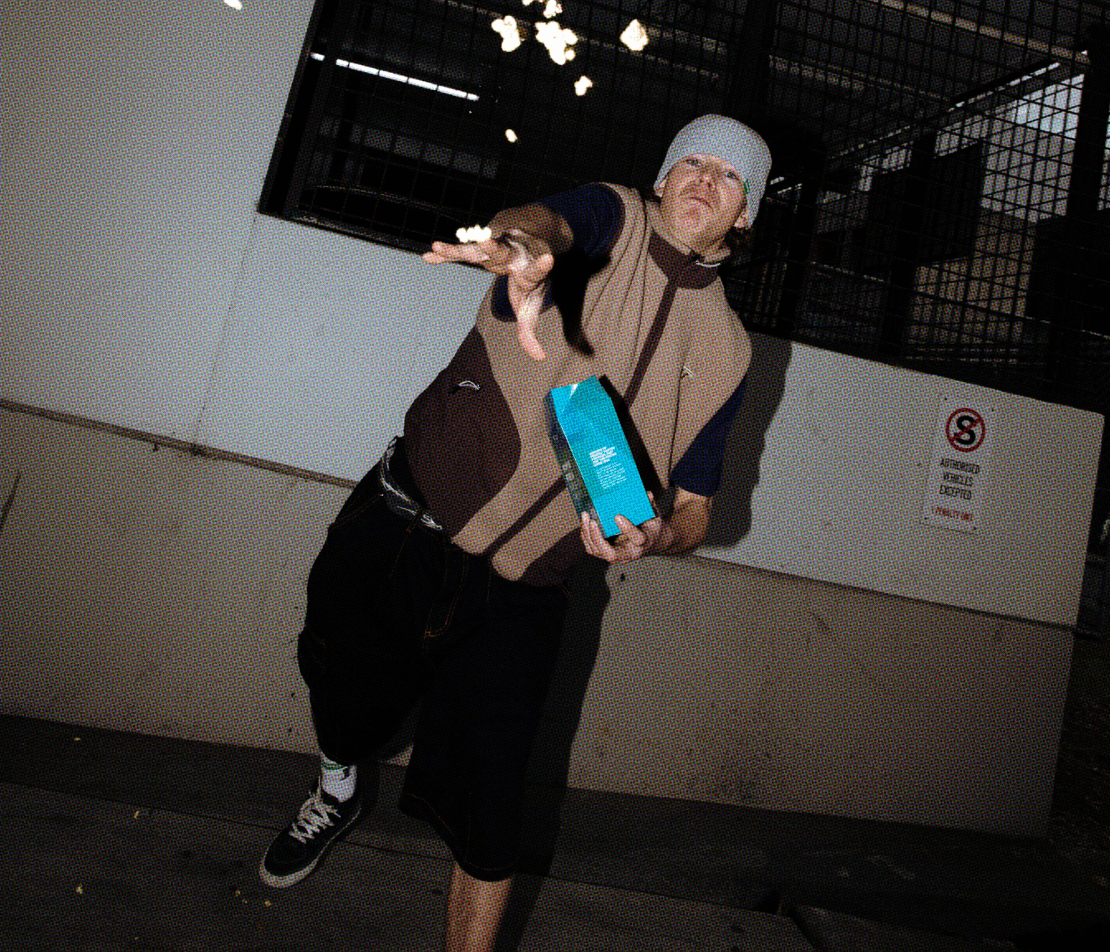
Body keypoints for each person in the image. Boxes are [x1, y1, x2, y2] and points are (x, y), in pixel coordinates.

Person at [260, 114, 773, 951]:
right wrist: (524, 249)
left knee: (492, 810)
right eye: (692, 162)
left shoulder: (730, 351)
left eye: (729, 176)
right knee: (342, 690)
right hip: (407, 521)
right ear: (663, 176)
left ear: (745, 216)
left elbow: (699, 505)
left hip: (529, 589)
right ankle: (338, 784)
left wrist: (658, 537)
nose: (704, 180)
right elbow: (550, 222)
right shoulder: (610, 219)